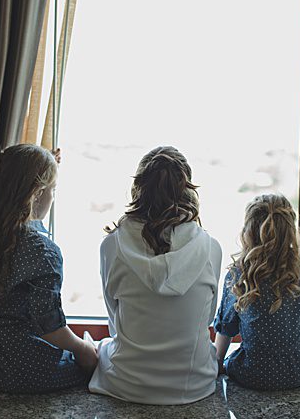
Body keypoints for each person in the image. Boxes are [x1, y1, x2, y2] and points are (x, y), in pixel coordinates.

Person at [0, 144, 96, 393]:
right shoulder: (42, 250)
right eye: (53, 190)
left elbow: (18, 168)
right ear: (36, 193)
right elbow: (51, 329)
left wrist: (45, 162)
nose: (53, 198)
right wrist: (83, 349)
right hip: (28, 372)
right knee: (96, 357)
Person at [90, 146, 222, 404]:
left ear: (139, 189)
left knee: (102, 346)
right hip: (194, 383)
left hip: (126, 383)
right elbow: (205, 318)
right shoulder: (210, 248)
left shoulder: (112, 245)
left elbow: (114, 319)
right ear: (187, 190)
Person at [213, 193, 300, 390]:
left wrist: (219, 363)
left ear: (248, 232)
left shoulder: (240, 273)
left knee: (232, 358)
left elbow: (226, 327)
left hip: (252, 374)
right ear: (290, 230)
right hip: (296, 374)